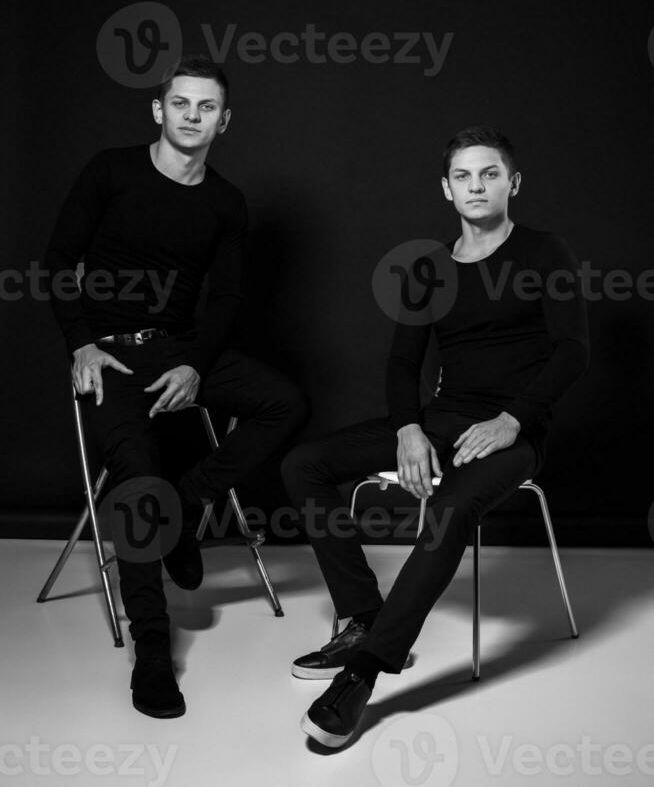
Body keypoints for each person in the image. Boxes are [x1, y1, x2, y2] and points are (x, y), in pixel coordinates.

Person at [281, 126, 590, 748]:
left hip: (514, 431)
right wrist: (408, 427)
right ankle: (365, 618)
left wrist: (512, 421)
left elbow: (572, 352)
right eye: (464, 177)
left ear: (513, 183)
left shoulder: (543, 252)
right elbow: (402, 364)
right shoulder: (429, 267)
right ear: (447, 189)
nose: (477, 186)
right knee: (304, 465)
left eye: (490, 174)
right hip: (444, 419)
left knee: (448, 509)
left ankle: (363, 675)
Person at [43, 54, 308, 718]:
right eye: (181, 103)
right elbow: (57, 261)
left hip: (181, 351)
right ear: (158, 110)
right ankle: (153, 656)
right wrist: (80, 343)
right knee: (135, 474)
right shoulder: (111, 170)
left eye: (207, 107)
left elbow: (223, 299)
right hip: (107, 353)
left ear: (225, 120)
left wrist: (194, 364)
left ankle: (184, 508)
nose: (193, 116)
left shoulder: (225, 201)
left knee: (286, 403)